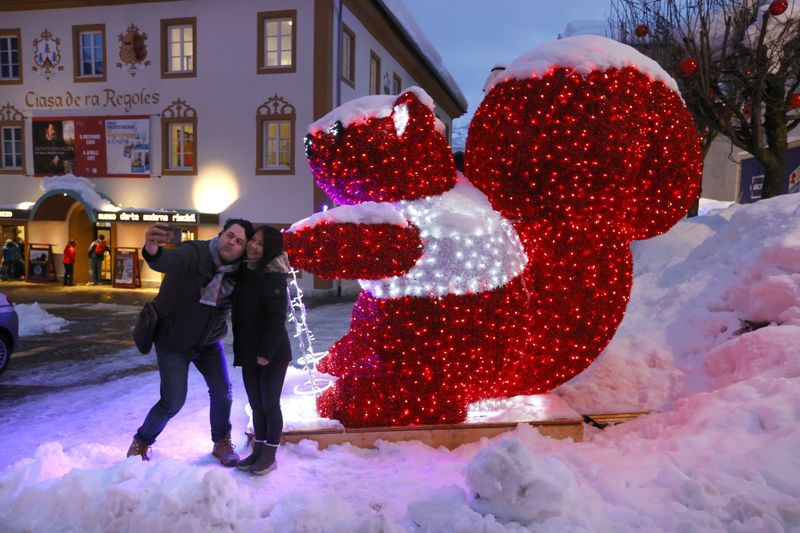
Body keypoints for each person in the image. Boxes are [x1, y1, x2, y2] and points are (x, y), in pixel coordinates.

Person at [127, 219, 255, 465]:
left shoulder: (240, 272)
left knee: (222, 392)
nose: (232, 242)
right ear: (221, 234)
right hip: (173, 342)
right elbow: (167, 261)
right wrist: (152, 249)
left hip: (208, 343)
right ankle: (142, 441)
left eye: (240, 241)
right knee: (173, 400)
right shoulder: (194, 252)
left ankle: (221, 441)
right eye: (230, 235)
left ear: (244, 249)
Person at [231, 226, 292, 475]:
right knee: (256, 405)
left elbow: (277, 319)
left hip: (272, 354)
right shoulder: (247, 272)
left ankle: (270, 454)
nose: (254, 246)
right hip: (248, 351)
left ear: (271, 251)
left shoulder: (274, 276)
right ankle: (258, 449)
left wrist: (265, 353)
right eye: (253, 240)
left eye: (261, 244)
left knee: (269, 405)